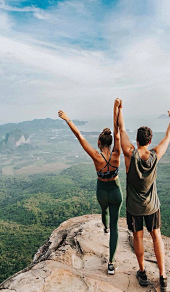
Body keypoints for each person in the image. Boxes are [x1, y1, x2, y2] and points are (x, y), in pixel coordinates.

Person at [116, 98, 170, 291]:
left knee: (138, 236)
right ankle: (163, 276)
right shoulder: (155, 155)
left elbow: (121, 129)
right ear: (150, 141)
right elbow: (167, 137)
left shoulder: (129, 154)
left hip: (134, 207)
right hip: (152, 206)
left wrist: (119, 109)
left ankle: (142, 272)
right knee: (156, 235)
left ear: (137, 140)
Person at [58, 99, 123, 275]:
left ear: (99, 143)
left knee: (104, 211)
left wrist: (68, 119)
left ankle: (105, 225)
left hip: (102, 191)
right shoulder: (117, 154)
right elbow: (117, 132)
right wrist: (115, 109)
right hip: (116, 191)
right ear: (110, 143)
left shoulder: (96, 156)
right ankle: (111, 263)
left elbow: (79, 135)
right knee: (116, 228)